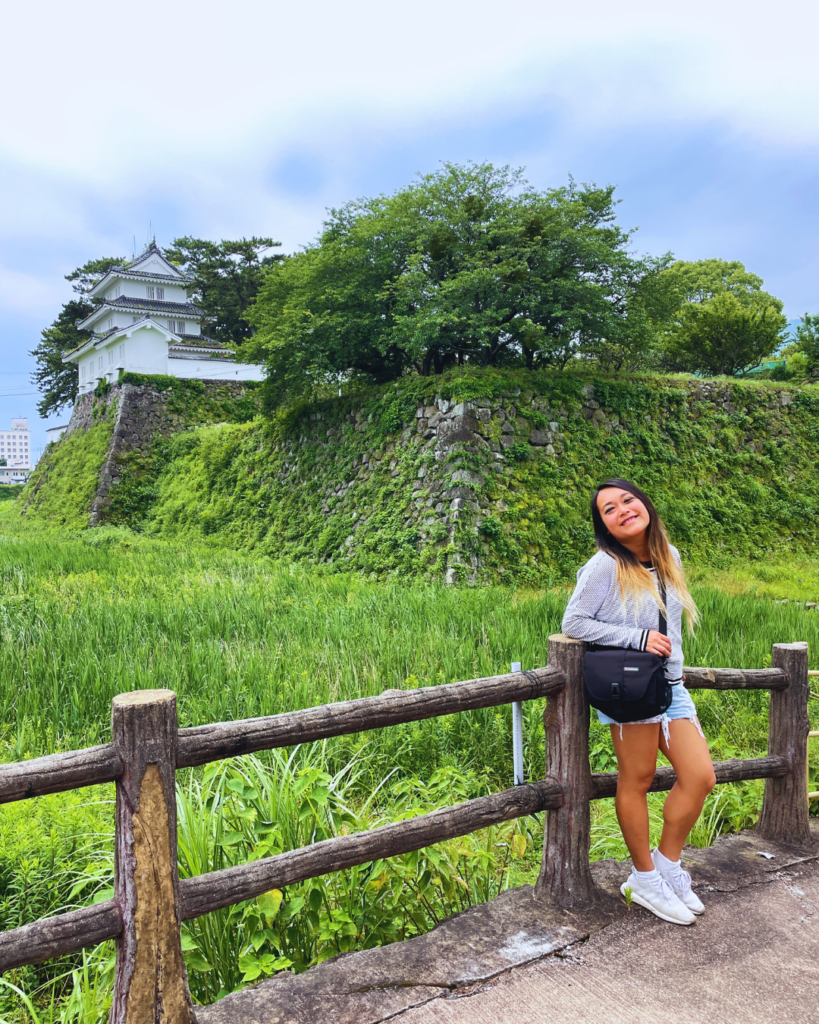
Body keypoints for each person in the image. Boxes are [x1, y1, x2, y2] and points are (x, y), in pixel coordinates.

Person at [562, 478, 716, 926]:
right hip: (628, 688)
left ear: (644, 503)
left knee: (700, 775)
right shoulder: (604, 566)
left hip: (669, 687)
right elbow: (573, 620)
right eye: (609, 509)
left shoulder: (669, 556)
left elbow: (673, 630)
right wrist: (637, 638)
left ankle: (667, 866)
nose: (622, 510)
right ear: (605, 528)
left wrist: (676, 668)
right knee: (638, 778)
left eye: (627, 500)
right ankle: (644, 879)